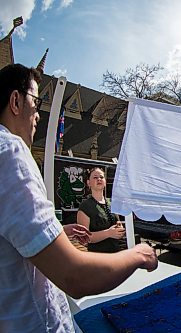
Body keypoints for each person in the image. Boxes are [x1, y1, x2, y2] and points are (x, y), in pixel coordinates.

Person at [0, 63, 158, 332]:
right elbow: (74, 275)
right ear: (16, 101)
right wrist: (140, 255)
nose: (39, 115)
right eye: (37, 103)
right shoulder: (10, 153)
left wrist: (56, 231)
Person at [77, 167, 125, 253]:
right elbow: (84, 238)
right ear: (88, 183)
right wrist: (108, 233)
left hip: (116, 254)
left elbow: (118, 224)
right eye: (95, 177)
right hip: (97, 257)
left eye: (101, 177)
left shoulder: (112, 203)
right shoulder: (85, 206)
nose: (99, 179)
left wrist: (119, 229)